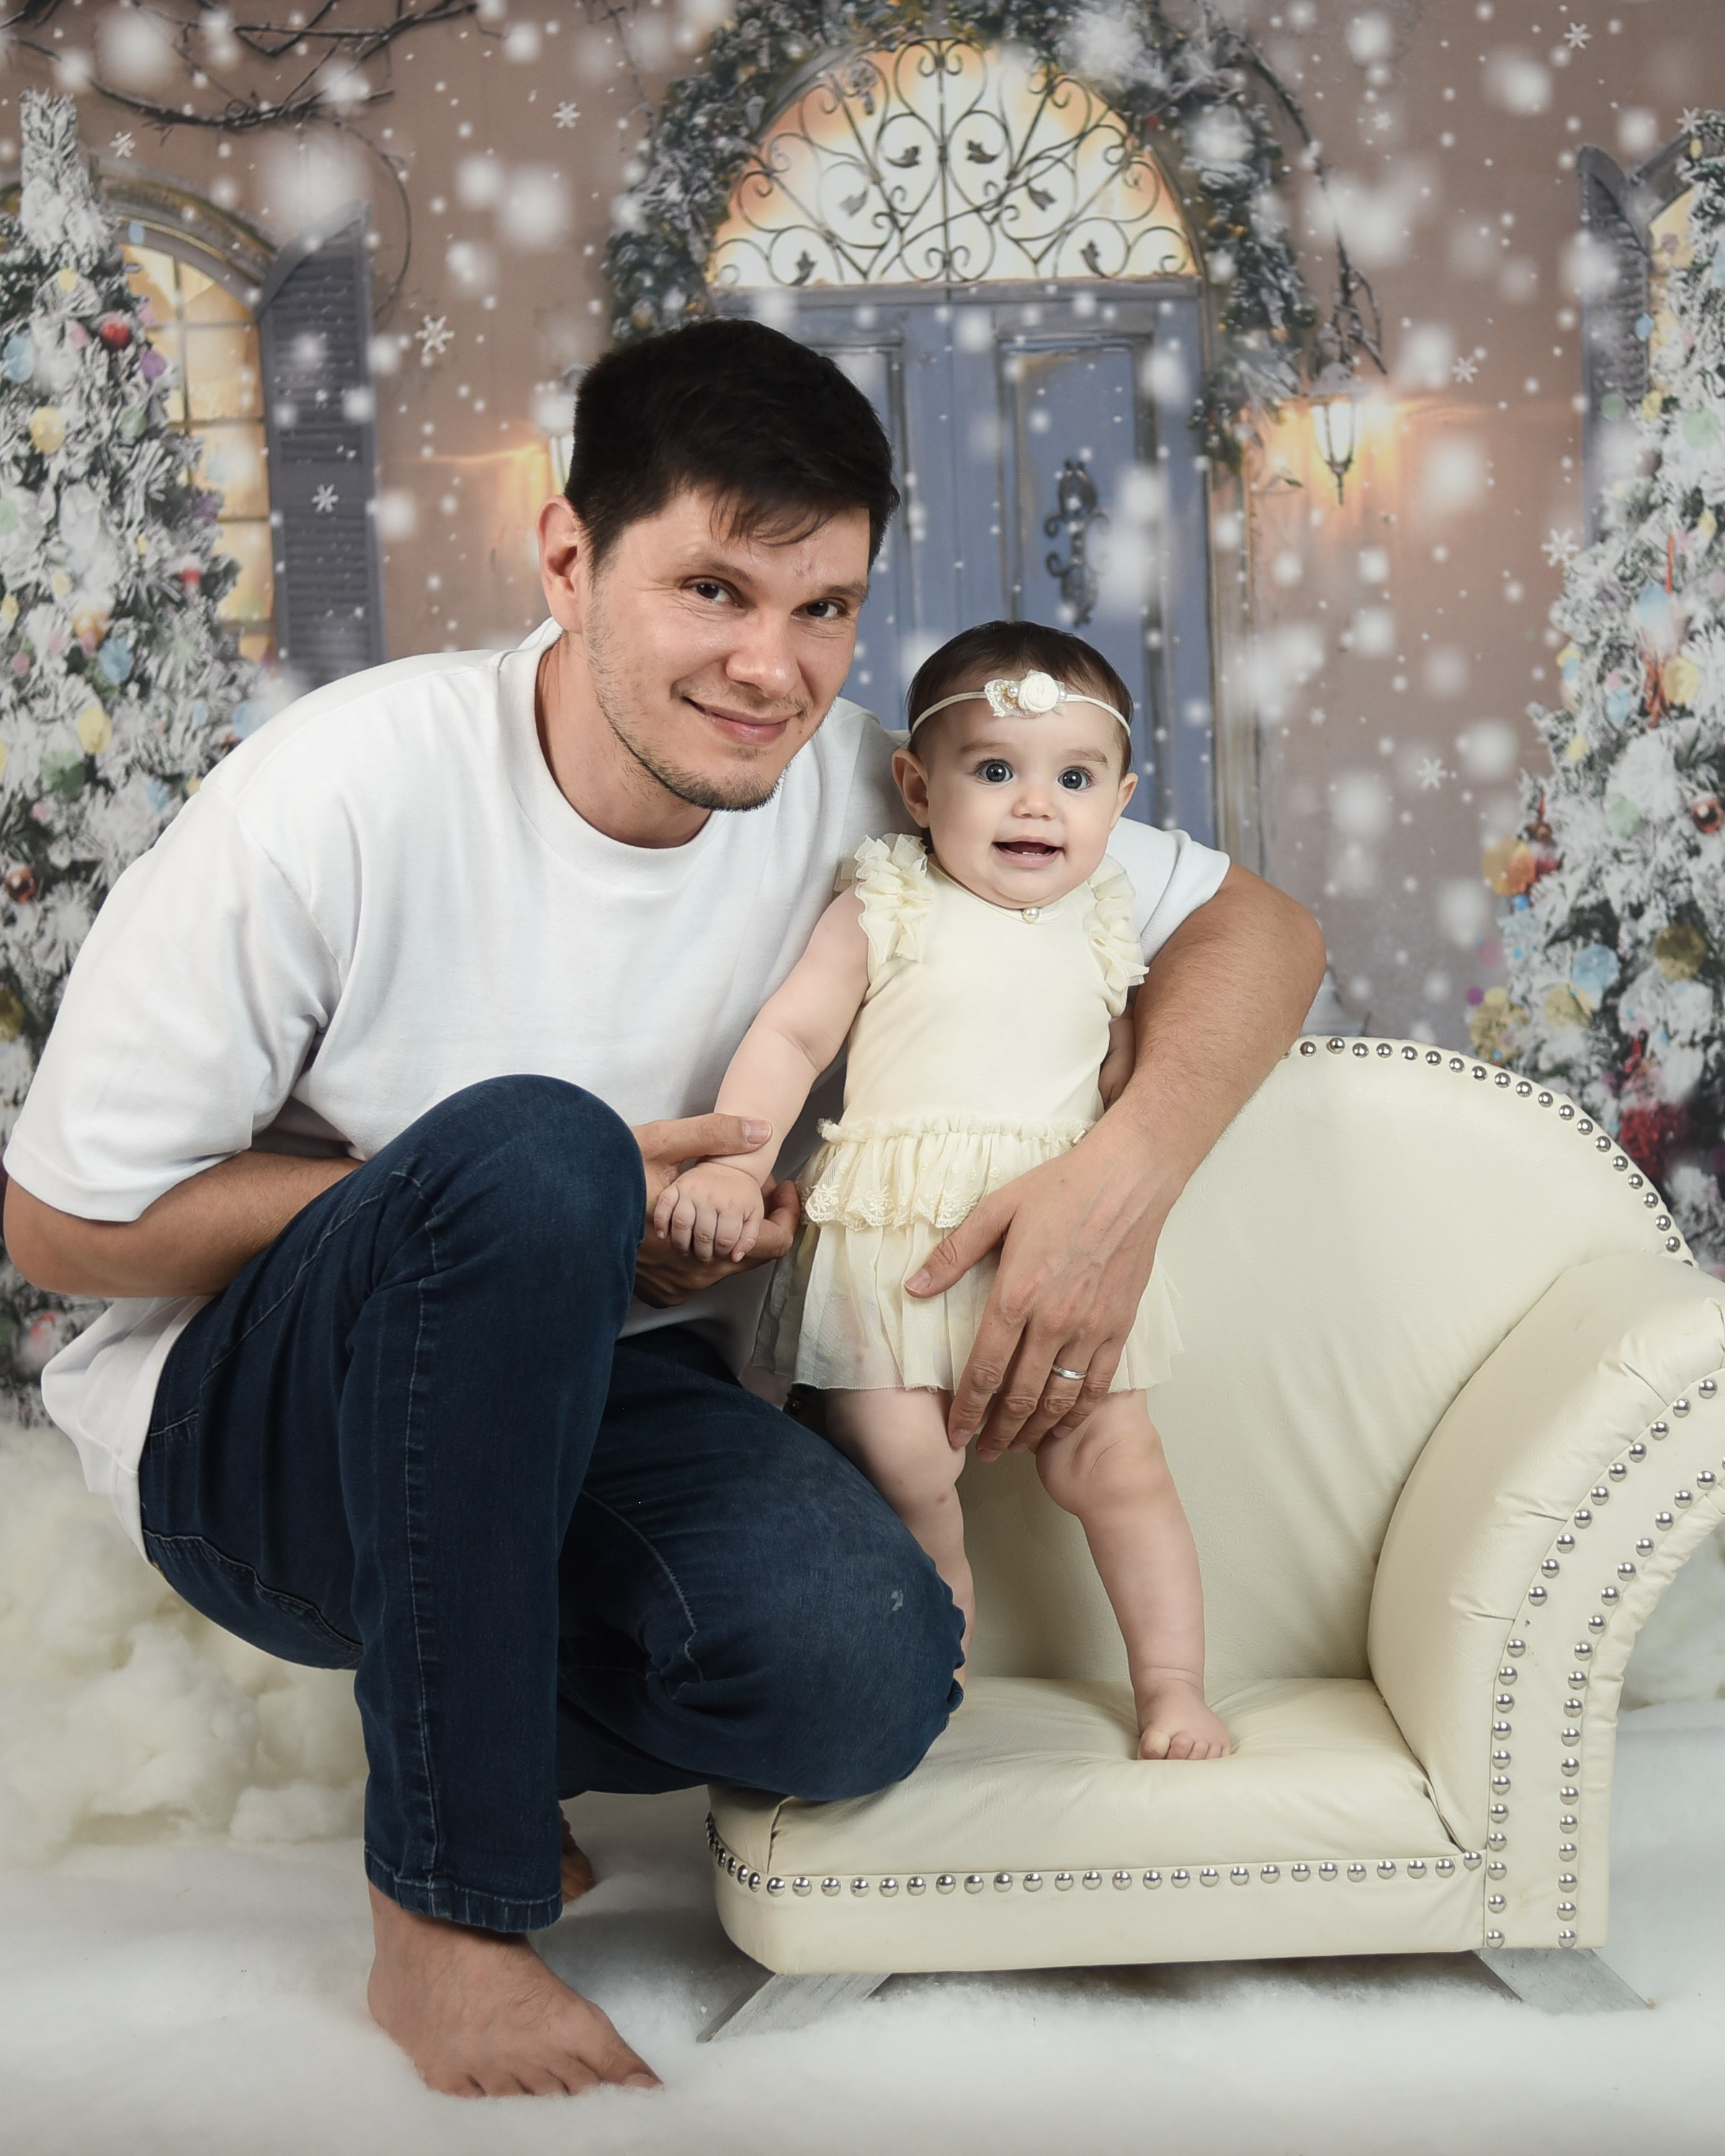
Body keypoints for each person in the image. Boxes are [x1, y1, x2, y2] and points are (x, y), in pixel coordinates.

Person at [1, 319, 1324, 2099]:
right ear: (566, 555)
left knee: (860, 1677)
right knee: (539, 1149)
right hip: (268, 1439)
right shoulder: (342, 787)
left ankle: (468, 1703)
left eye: (823, 608)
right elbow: (64, 1232)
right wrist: (513, 1200)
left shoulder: (884, 796)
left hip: (621, 1394)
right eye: (712, 589)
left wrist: (1118, 1182)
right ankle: (445, 1908)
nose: (771, 668)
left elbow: (1260, 928)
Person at [655, 621, 1230, 1762]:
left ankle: (1173, 1685)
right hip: (892, 1241)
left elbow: (1121, 1076)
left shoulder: (1108, 917)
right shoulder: (889, 899)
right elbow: (794, 1029)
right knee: (906, 1462)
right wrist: (736, 1157)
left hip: (1055, 1237)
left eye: (1073, 779)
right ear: (918, 787)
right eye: (995, 772)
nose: (1035, 806)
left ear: (1120, 799)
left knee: (1116, 1461)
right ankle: (938, 1672)